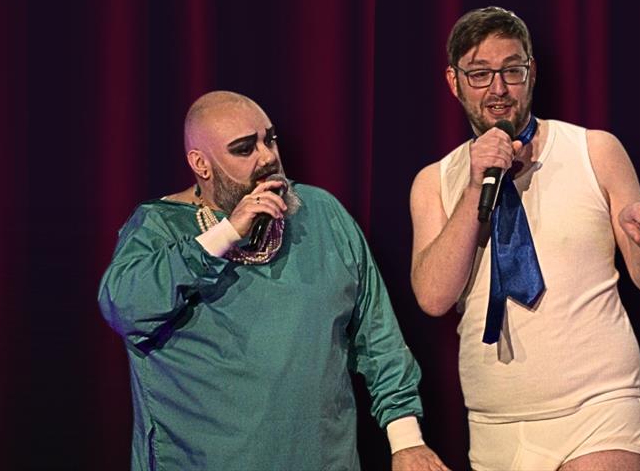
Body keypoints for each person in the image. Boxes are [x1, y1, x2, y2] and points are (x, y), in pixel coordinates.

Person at [99, 91, 448, 470]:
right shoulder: (159, 227)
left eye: (270, 139)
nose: (267, 157)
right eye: (244, 149)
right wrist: (226, 234)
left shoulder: (321, 214)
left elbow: (377, 335)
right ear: (201, 164)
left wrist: (407, 441)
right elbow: (124, 306)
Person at [409, 7, 640, 471]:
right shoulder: (433, 181)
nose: (498, 89)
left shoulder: (594, 149)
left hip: (598, 405)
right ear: (454, 82)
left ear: (531, 72)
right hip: (497, 419)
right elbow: (434, 297)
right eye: (479, 74)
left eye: (511, 71)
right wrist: (476, 183)